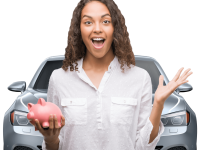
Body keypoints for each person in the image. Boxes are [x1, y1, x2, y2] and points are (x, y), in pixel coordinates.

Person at [32, 0, 193, 150]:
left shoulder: (139, 78)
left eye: (105, 21)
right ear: (78, 29)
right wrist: (51, 139)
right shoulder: (59, 79)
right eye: (88, 22)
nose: (97, 28)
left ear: (115, 28)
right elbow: (56, 144)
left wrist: (158, 104)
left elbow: (142, 146)